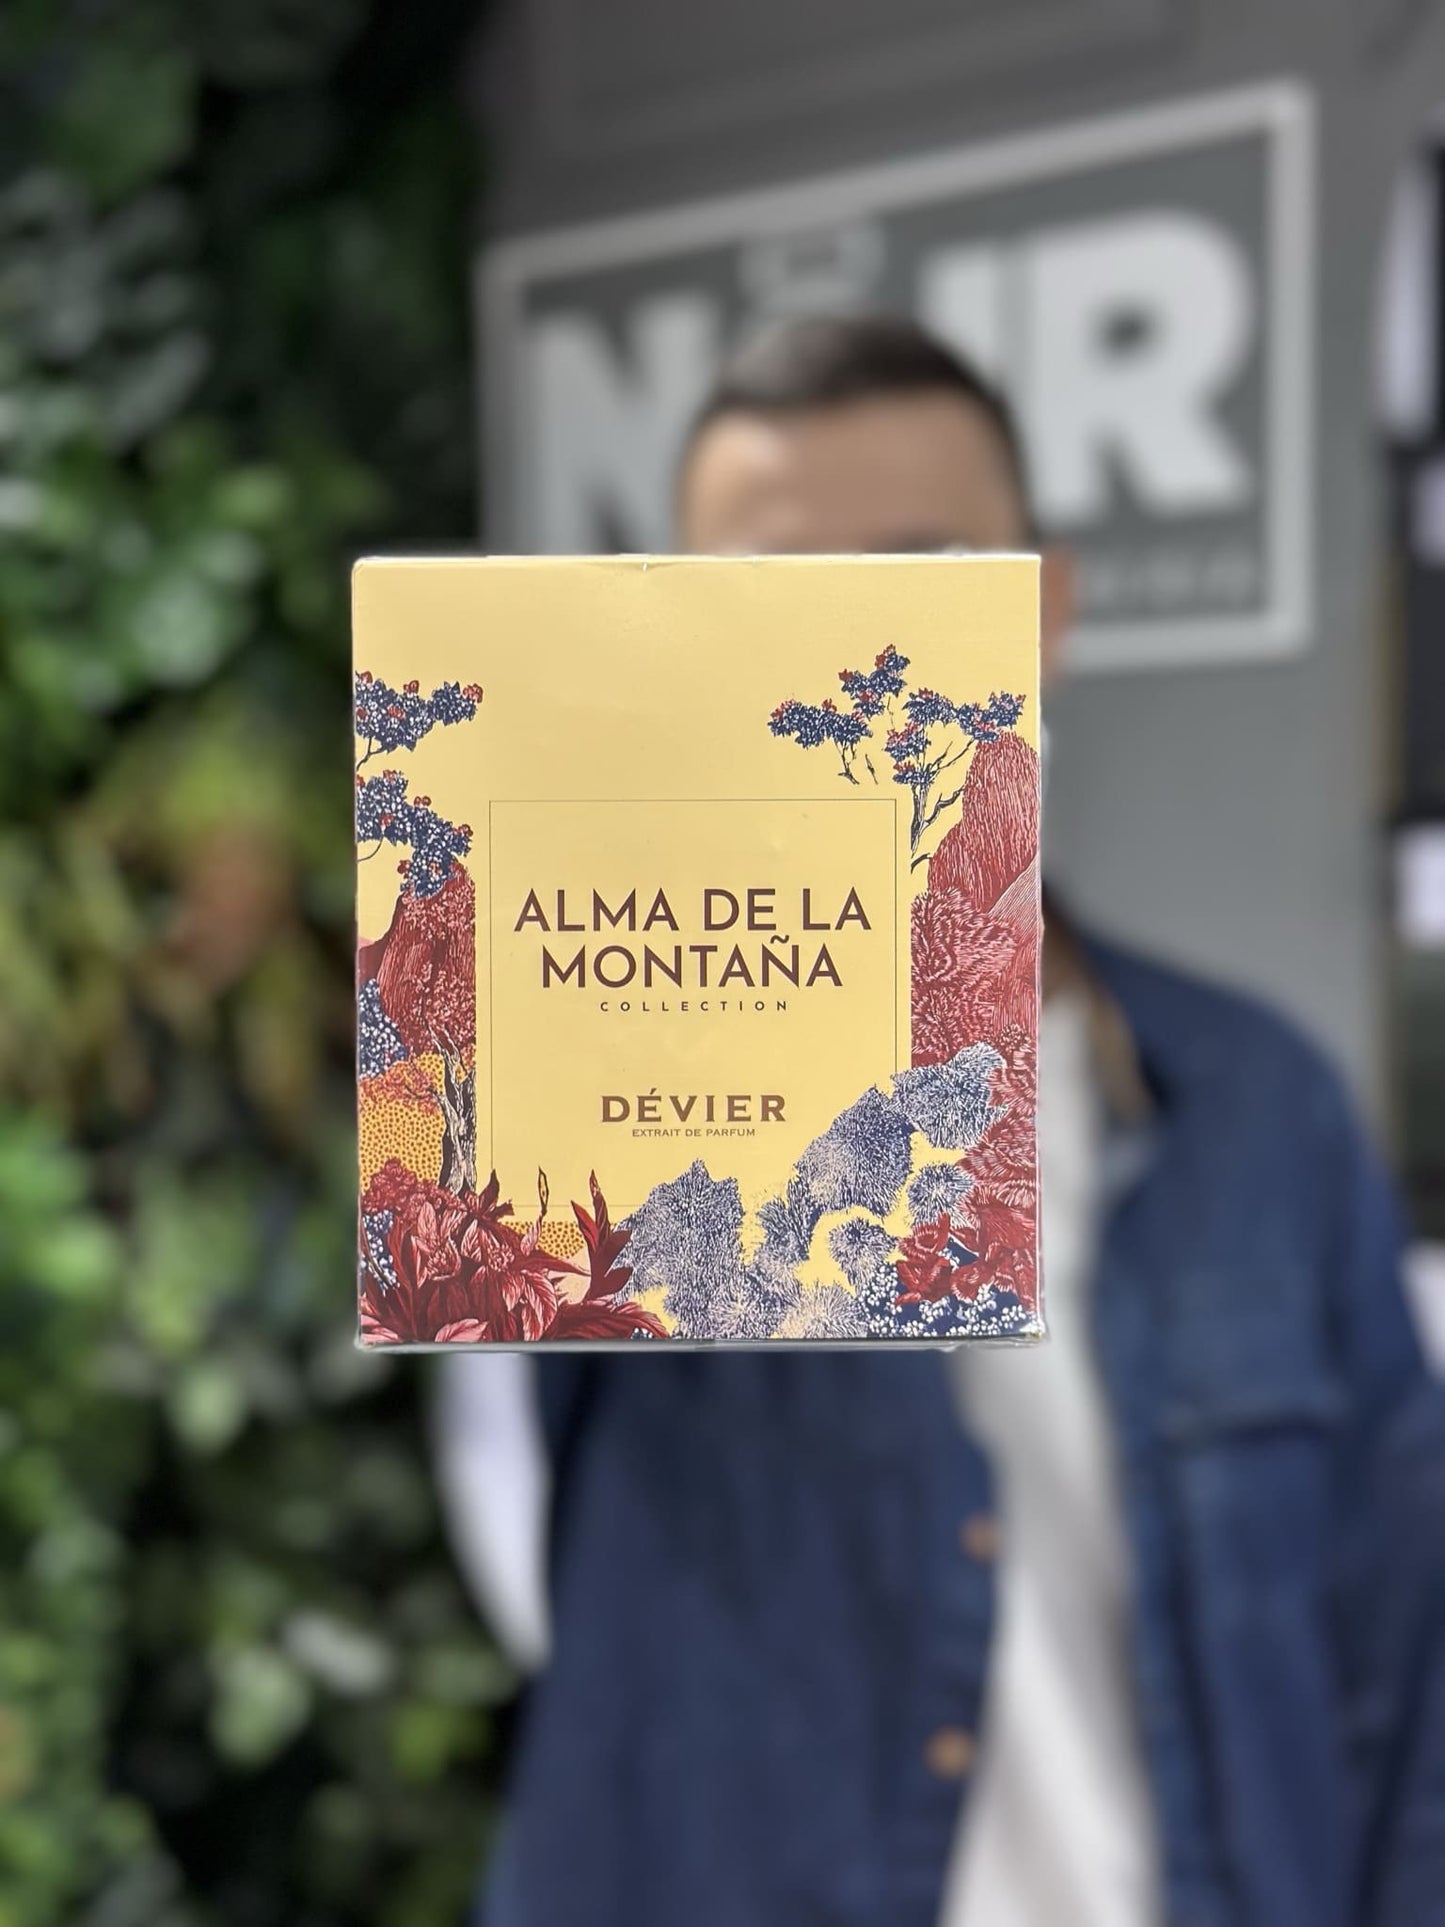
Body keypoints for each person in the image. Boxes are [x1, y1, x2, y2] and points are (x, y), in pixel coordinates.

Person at [443, 316, 1445, 1927]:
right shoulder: (596, 1068)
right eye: (771, 599)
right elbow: (534, 1531)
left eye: (919, 575)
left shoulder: (1257, 1105)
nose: (856, 644)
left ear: (1045, 604)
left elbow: (1404, 1668)